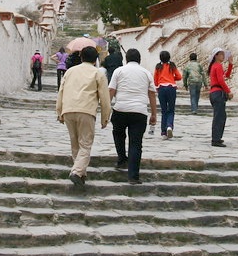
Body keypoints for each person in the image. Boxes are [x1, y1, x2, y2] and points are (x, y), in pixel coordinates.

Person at [56, 45, 111, 187]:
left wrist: (59, 111)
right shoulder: (98, 73)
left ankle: (81, 173)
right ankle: (76, 171)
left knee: (75, 143)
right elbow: (105, 98)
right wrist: (105, 117)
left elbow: (61, 91)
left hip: (68, 109)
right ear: (96, 59)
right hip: (86, 110)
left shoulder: (70, 71)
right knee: (85, 144)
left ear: (81, 57)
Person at [108, 48, 157, 185]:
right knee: (136, 143)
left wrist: (106, 109)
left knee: (118, 134)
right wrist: (153, 114)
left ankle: (122, 158)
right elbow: (152, 94)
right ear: (139, 60)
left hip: (120, 109)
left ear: (126, 59)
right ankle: (133, 176)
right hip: (139, 111)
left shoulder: (119, 71)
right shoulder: (146, 73)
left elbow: (111, 90)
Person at [153, 51, 182, 139]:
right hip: (171, 88)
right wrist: (172, 78)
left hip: (161, 88)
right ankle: (169, 126)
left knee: (164, 110)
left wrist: (158, 85)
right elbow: (179, 76)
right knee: (171, 109)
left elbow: (155, 79)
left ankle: (163, 132)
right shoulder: (172, 66)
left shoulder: (158, 67)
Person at [208, 48, 233, 147]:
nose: (223, 56)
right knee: (219, 117)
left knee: (221, 116)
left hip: (215, 93)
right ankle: (216, 139)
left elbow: (226, 76)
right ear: (216, 56)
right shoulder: (217, 66)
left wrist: (230, 64)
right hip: (218, 93)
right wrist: (229, 91)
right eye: (221, 54)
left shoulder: (216, 66)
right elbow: (221, 81)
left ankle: (217, 137)